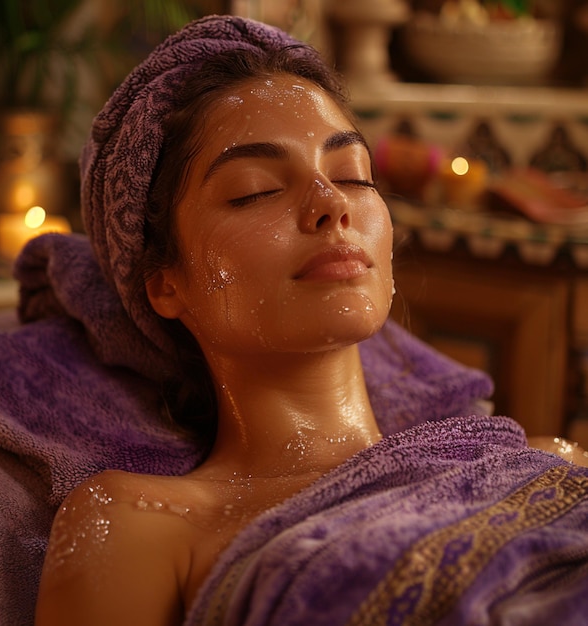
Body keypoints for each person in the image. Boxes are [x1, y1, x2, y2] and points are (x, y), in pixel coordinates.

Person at [34, 15, 588, 626]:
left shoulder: (538, 463)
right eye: (255, 191)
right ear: (167, 285)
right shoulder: (140, 524)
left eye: (353, 176)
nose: (332, 204)